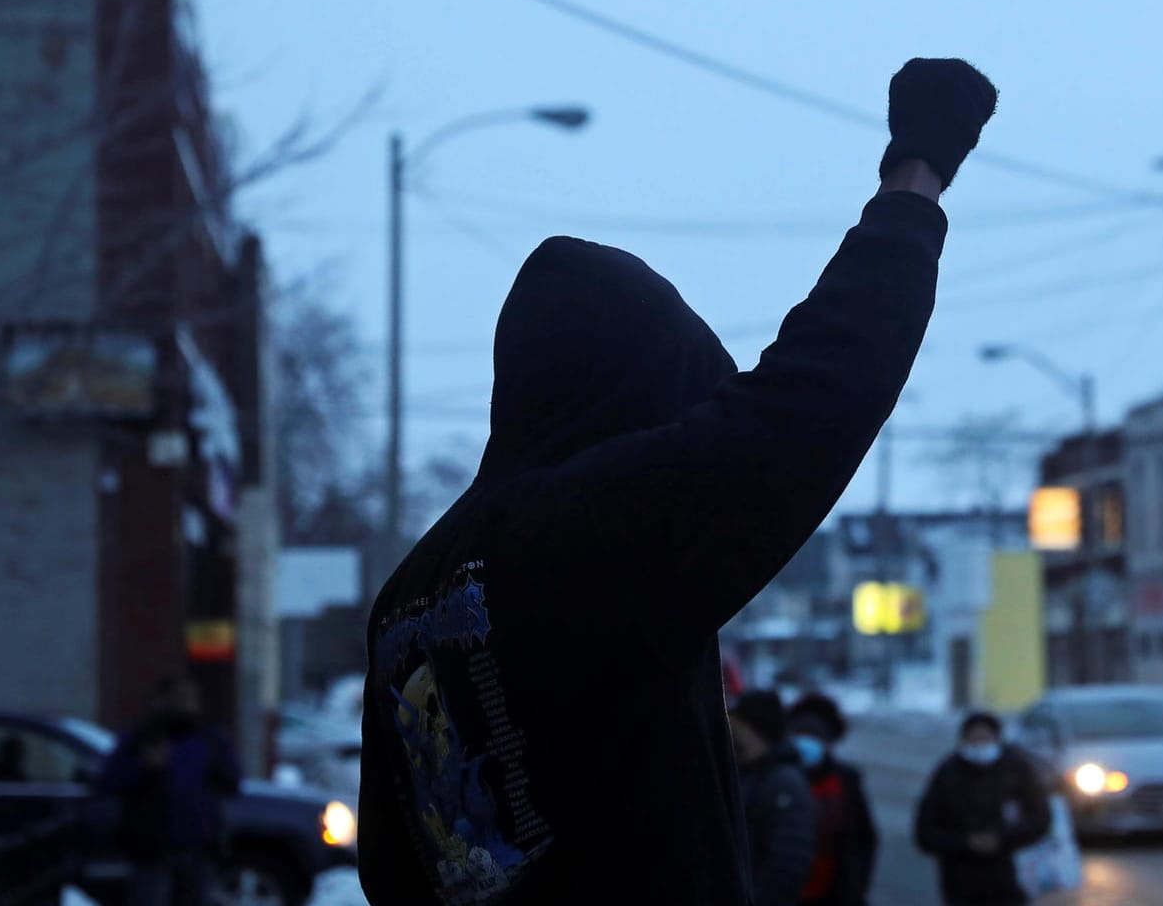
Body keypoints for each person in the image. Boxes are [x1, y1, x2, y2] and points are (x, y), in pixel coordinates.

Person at [358, 58, 999, 905]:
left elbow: (388, 862)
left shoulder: (412, 593)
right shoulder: (586, 533)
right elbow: (810, 402)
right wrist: (916, 177)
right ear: (630, 387)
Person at [99, 676, 241, 906]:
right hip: (152, 851)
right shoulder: (141, 738)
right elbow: (110, 782)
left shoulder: (209, 739)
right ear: (163, 701)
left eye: (190, 698)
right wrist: (145, 767)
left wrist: (216, 769)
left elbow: (232, 782)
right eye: (179, 698)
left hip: (198, 849)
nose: (186, 705)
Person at [913, 712, 1051, 906]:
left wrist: (1002, 840)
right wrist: (967, 843)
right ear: (963, 740)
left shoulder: (1016, 770)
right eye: (973, 738)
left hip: (1010, 883)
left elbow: (1040, 819)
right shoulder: (947, 774)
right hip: (962, 884)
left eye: (985, 738)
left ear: (997, 739)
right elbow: (925, 833)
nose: (979, 744)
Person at [787, 693, 878, 906]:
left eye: (815, 738)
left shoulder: (846, 781)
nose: (807, 744)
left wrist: (856, 885)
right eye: (801, 736)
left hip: (833, 894)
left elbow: (864, 839)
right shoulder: (777, 778)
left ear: (827, 743)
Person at [730, 692, 818, 906]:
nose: (731, 731)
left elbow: (788, 865)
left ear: (755, 729)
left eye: (737, 725)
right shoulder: (745, 770)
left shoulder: (783, 781)